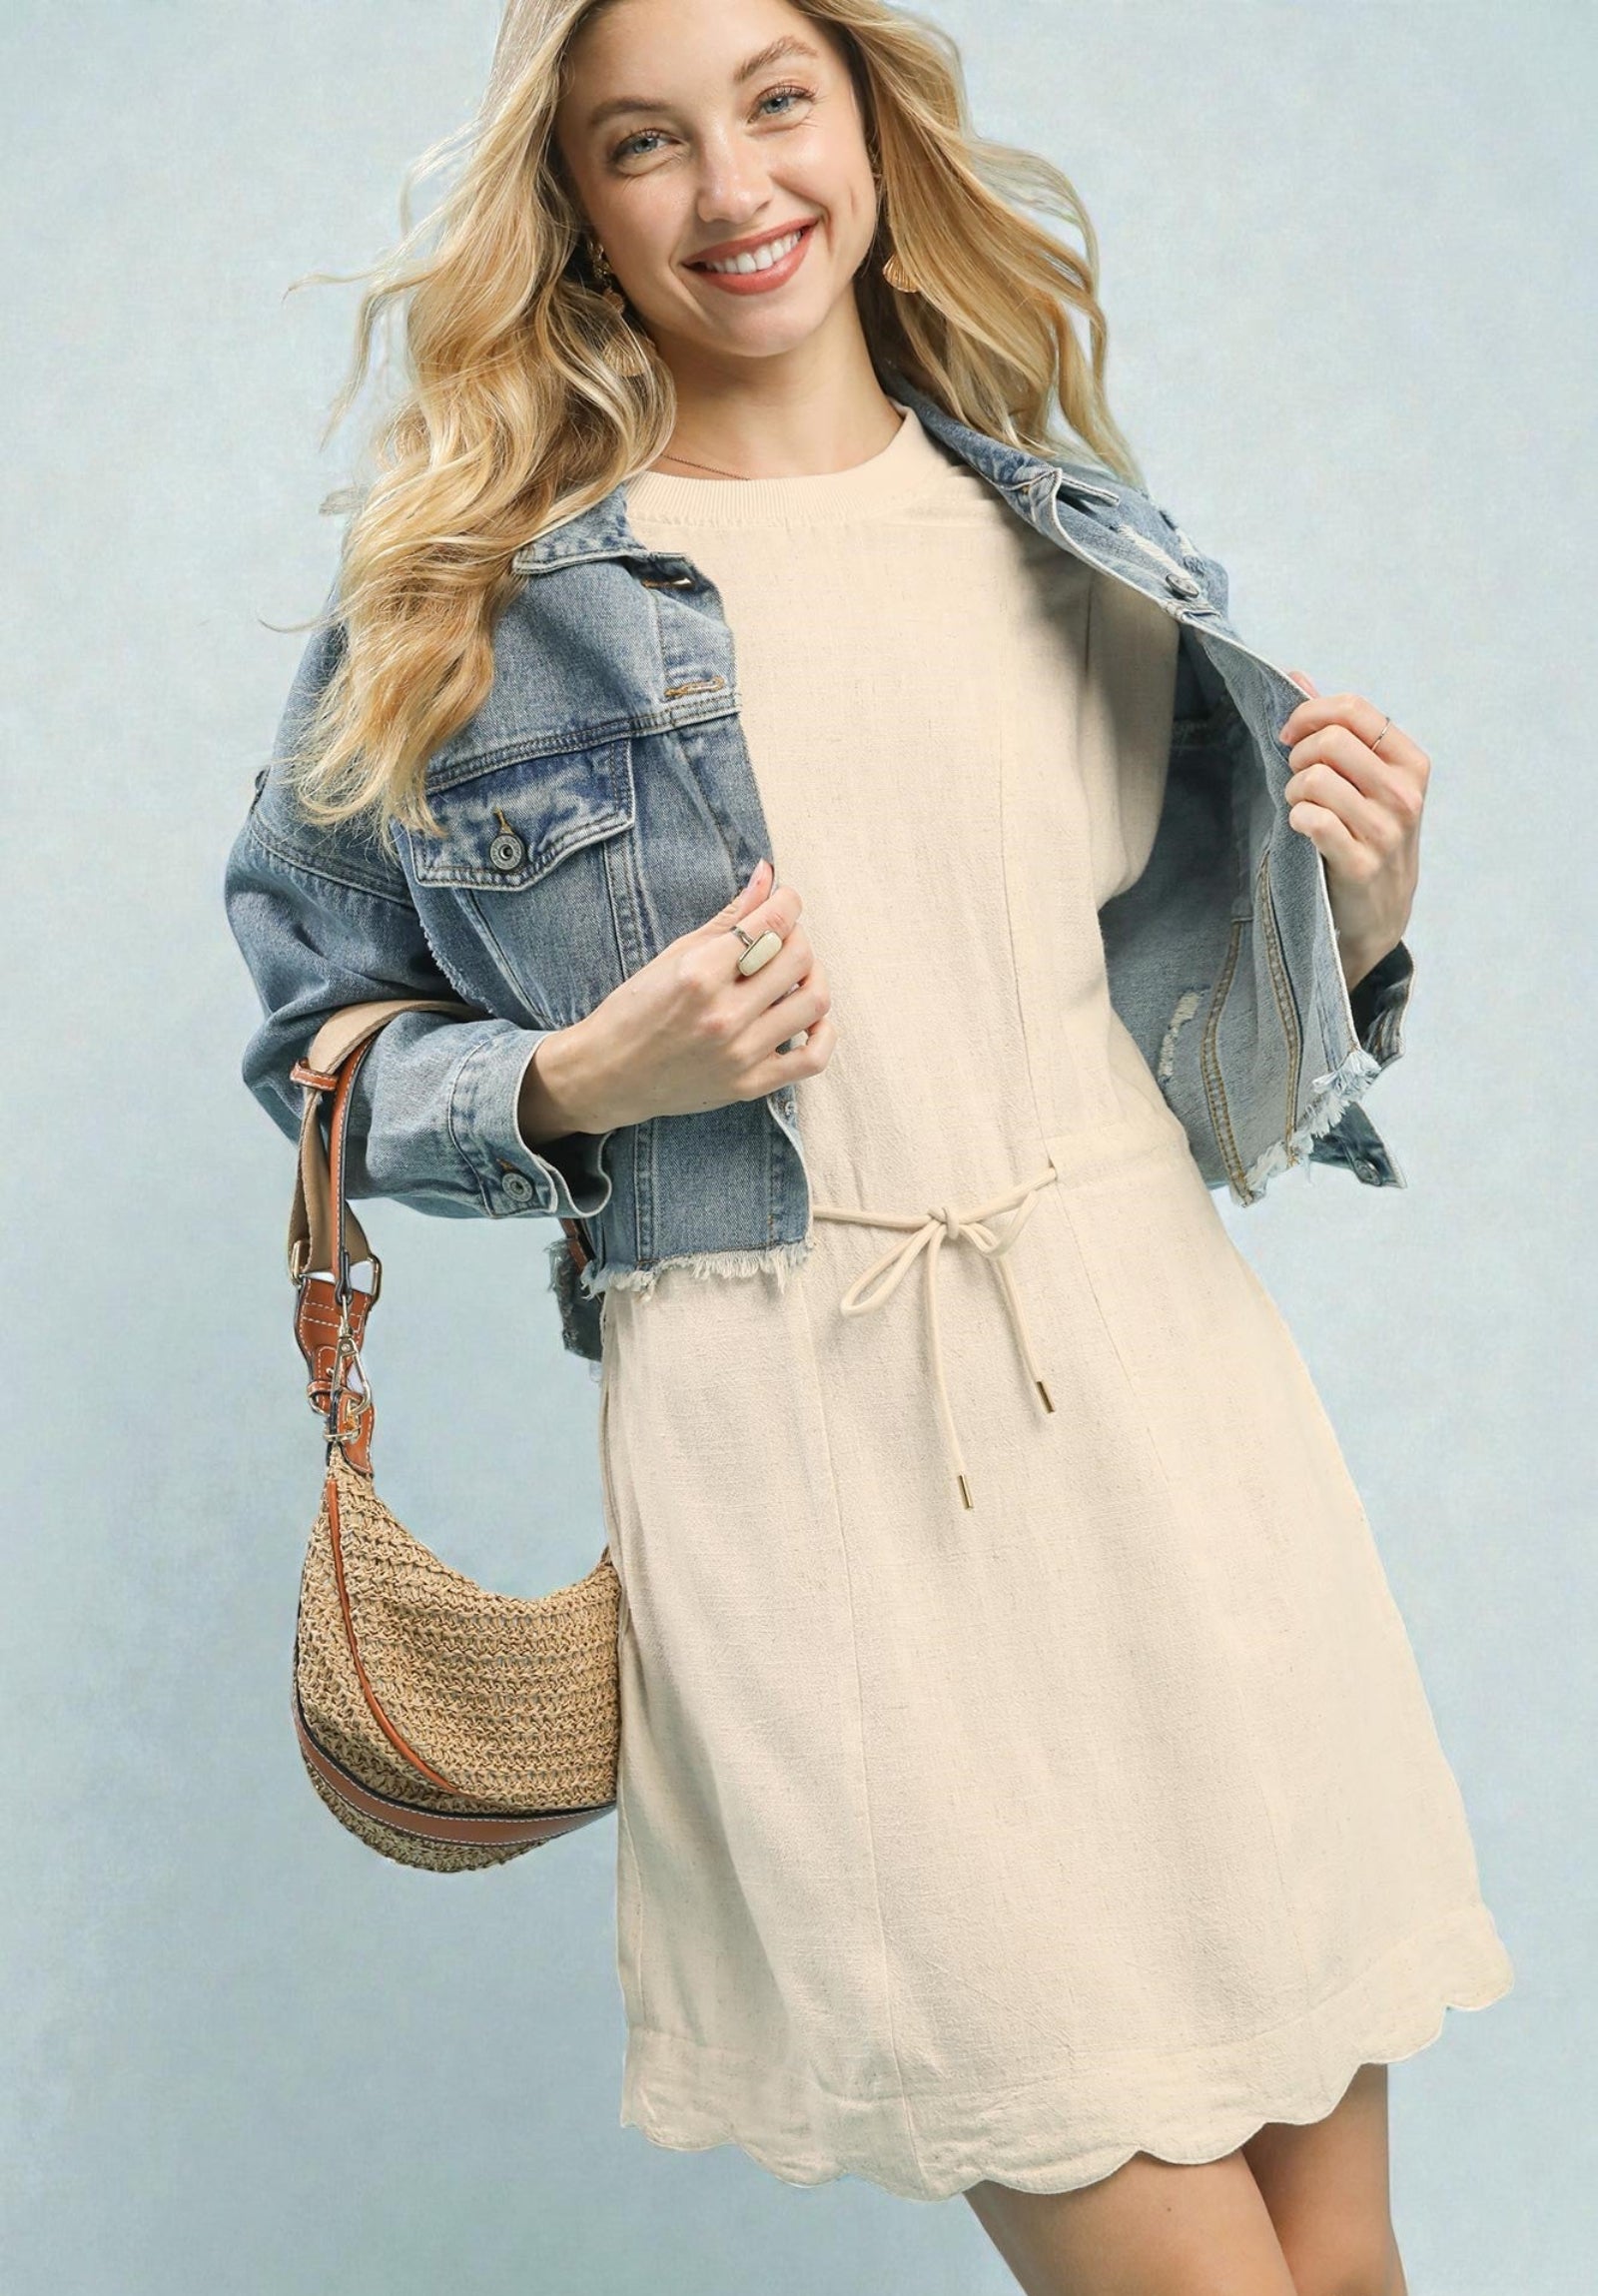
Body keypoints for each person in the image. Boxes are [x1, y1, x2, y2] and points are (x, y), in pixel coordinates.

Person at [223, 2, 1514, 2288]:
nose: (732, 191)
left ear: (867, 126)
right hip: (801, 1459)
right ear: (578, 207)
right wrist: (567, 1082)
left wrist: (1360, 917)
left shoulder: (1072, 536)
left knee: (1344, 2266)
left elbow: (1204, 1069)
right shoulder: (475, 607)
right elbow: (318, 1045)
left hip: (1165, 1412)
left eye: (775, 104)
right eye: (644, 143)